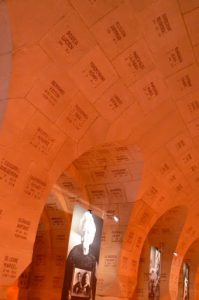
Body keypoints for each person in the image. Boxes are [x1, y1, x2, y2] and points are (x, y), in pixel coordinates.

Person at [61, 211, 97, 300]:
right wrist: (67, 291)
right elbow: (67, 275)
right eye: (85, 232)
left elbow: (94, 279)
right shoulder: (75, 251)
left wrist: (91, 295)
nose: (87, 236)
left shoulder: (92, 256)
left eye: (89, 233)